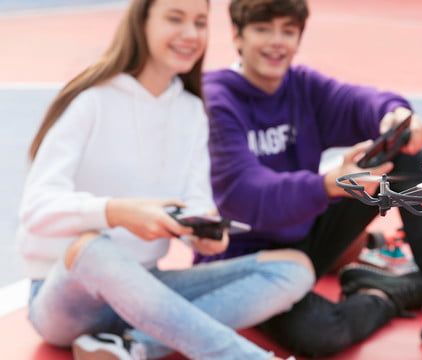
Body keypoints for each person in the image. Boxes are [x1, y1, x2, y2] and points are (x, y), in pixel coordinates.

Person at [197, 1, 422, 359]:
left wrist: (396, 116)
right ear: (237, 35)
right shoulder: (217, 98)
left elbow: (360, 101)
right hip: (246, 259)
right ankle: (387, 293)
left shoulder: (301, 87)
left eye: (287, 31)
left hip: (303, 232)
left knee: (400, 145)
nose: (277, 41)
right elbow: (246, 194)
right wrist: (328, 184)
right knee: (321, 334)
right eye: (263, 29)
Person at [17, 0, 315, 359]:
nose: (190, 34)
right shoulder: (91, 101)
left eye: (200, 22)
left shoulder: (191, 111)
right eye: (175, 19)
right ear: (142, 22)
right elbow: (36, 206)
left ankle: (132, 346)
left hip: (144, 290)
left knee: (293, 270)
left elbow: (197, 200)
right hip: (66, 299)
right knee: (92, 248)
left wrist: (203, 232)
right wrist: (118, 212)